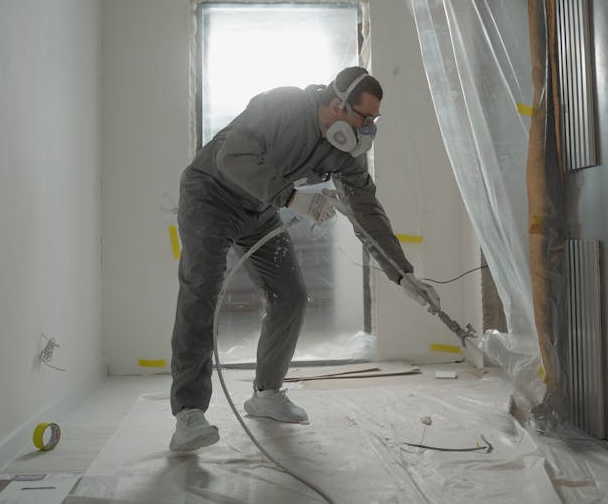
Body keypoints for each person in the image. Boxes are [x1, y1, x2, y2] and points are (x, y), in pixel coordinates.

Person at [169, 66, 441, 452]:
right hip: (210, 195)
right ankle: (189, 414)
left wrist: (403, 275)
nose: (368, 130)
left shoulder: (342, 151)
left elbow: (366, 210)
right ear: (337, 104)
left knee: (290, 294)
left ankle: (266, 394)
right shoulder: (282, 105)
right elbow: (234, 156)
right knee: (202, 291)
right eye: (365, 119)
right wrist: (293, 198)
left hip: (259, 207)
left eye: (374, 121)